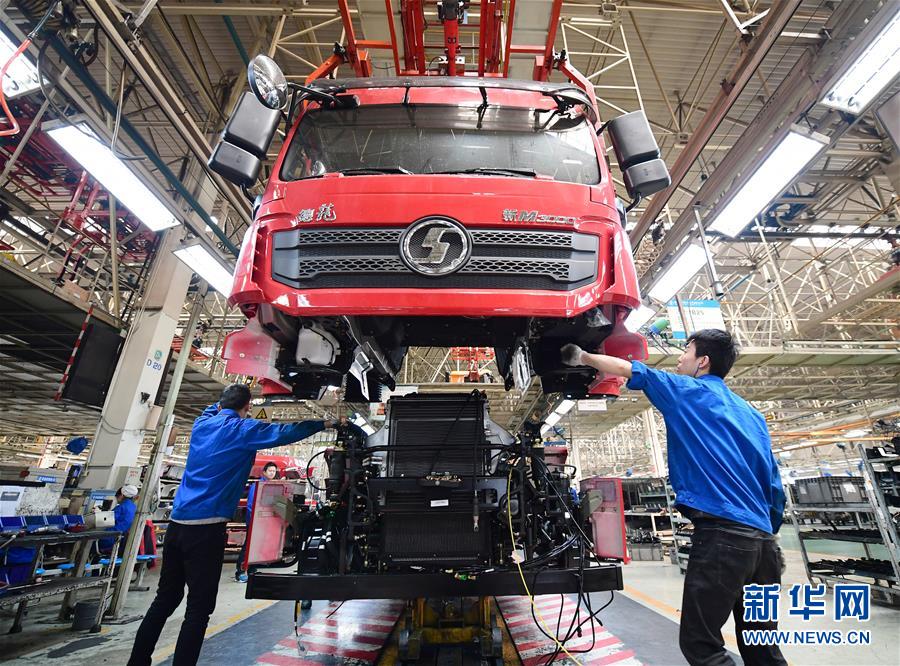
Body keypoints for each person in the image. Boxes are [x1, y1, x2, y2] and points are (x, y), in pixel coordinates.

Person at [562, 329, 786, 666]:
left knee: (701, 645)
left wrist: (581, 356)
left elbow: (630, 370)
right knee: (761, 645)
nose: (680, 357)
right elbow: (774, 484)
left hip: (723, 540)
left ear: (702, 362)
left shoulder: (687, 391)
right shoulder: (751, 414)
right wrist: (766, 531)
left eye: (686, 350)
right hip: (764, 546)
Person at [127, 384, 334, 666]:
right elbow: (285, 432)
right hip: (206, 530)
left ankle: (137, 662)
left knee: (164, 600)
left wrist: (238, 394)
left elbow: (216, 407)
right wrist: (324, 422)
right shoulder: (241, 430)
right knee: (199, 610)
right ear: (246, 407)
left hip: (177, 526)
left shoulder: (203, 423)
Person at [234, 461, 278, 582]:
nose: (272, 473)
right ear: (264, 472)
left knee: (257, 547)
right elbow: (250, 505)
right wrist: (253, 520)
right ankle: (241, 571)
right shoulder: (257, 485)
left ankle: (252, 569)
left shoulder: (271, 486)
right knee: (248, 546)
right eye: (270, 471)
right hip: (254, 522)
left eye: (274, 471)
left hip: (264, 522)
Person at [98, 485, 139, 552]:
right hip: (122, 541)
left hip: (110, 540)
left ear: (121, 495)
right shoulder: (134, 507)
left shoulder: (121, 507)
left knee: (88, 544)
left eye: (117, 497)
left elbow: (104, 520)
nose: (116, 499)